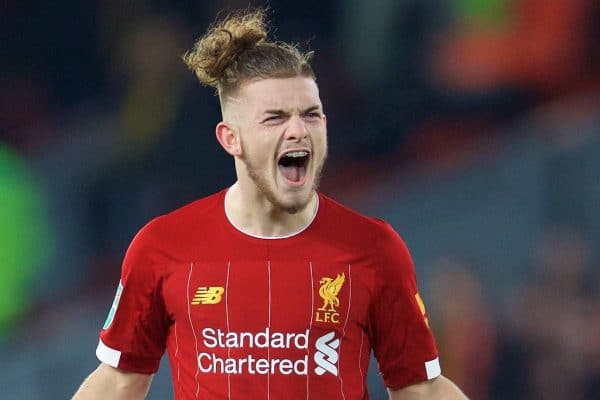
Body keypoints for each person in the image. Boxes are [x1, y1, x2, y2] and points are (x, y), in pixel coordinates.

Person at [72, 9, 467, 400]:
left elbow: (422, 389)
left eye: (311, 115)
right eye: (275, 118)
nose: (298, 130)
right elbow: (119, 381)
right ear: (231, 139)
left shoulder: (373, 249)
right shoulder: (162, 246)